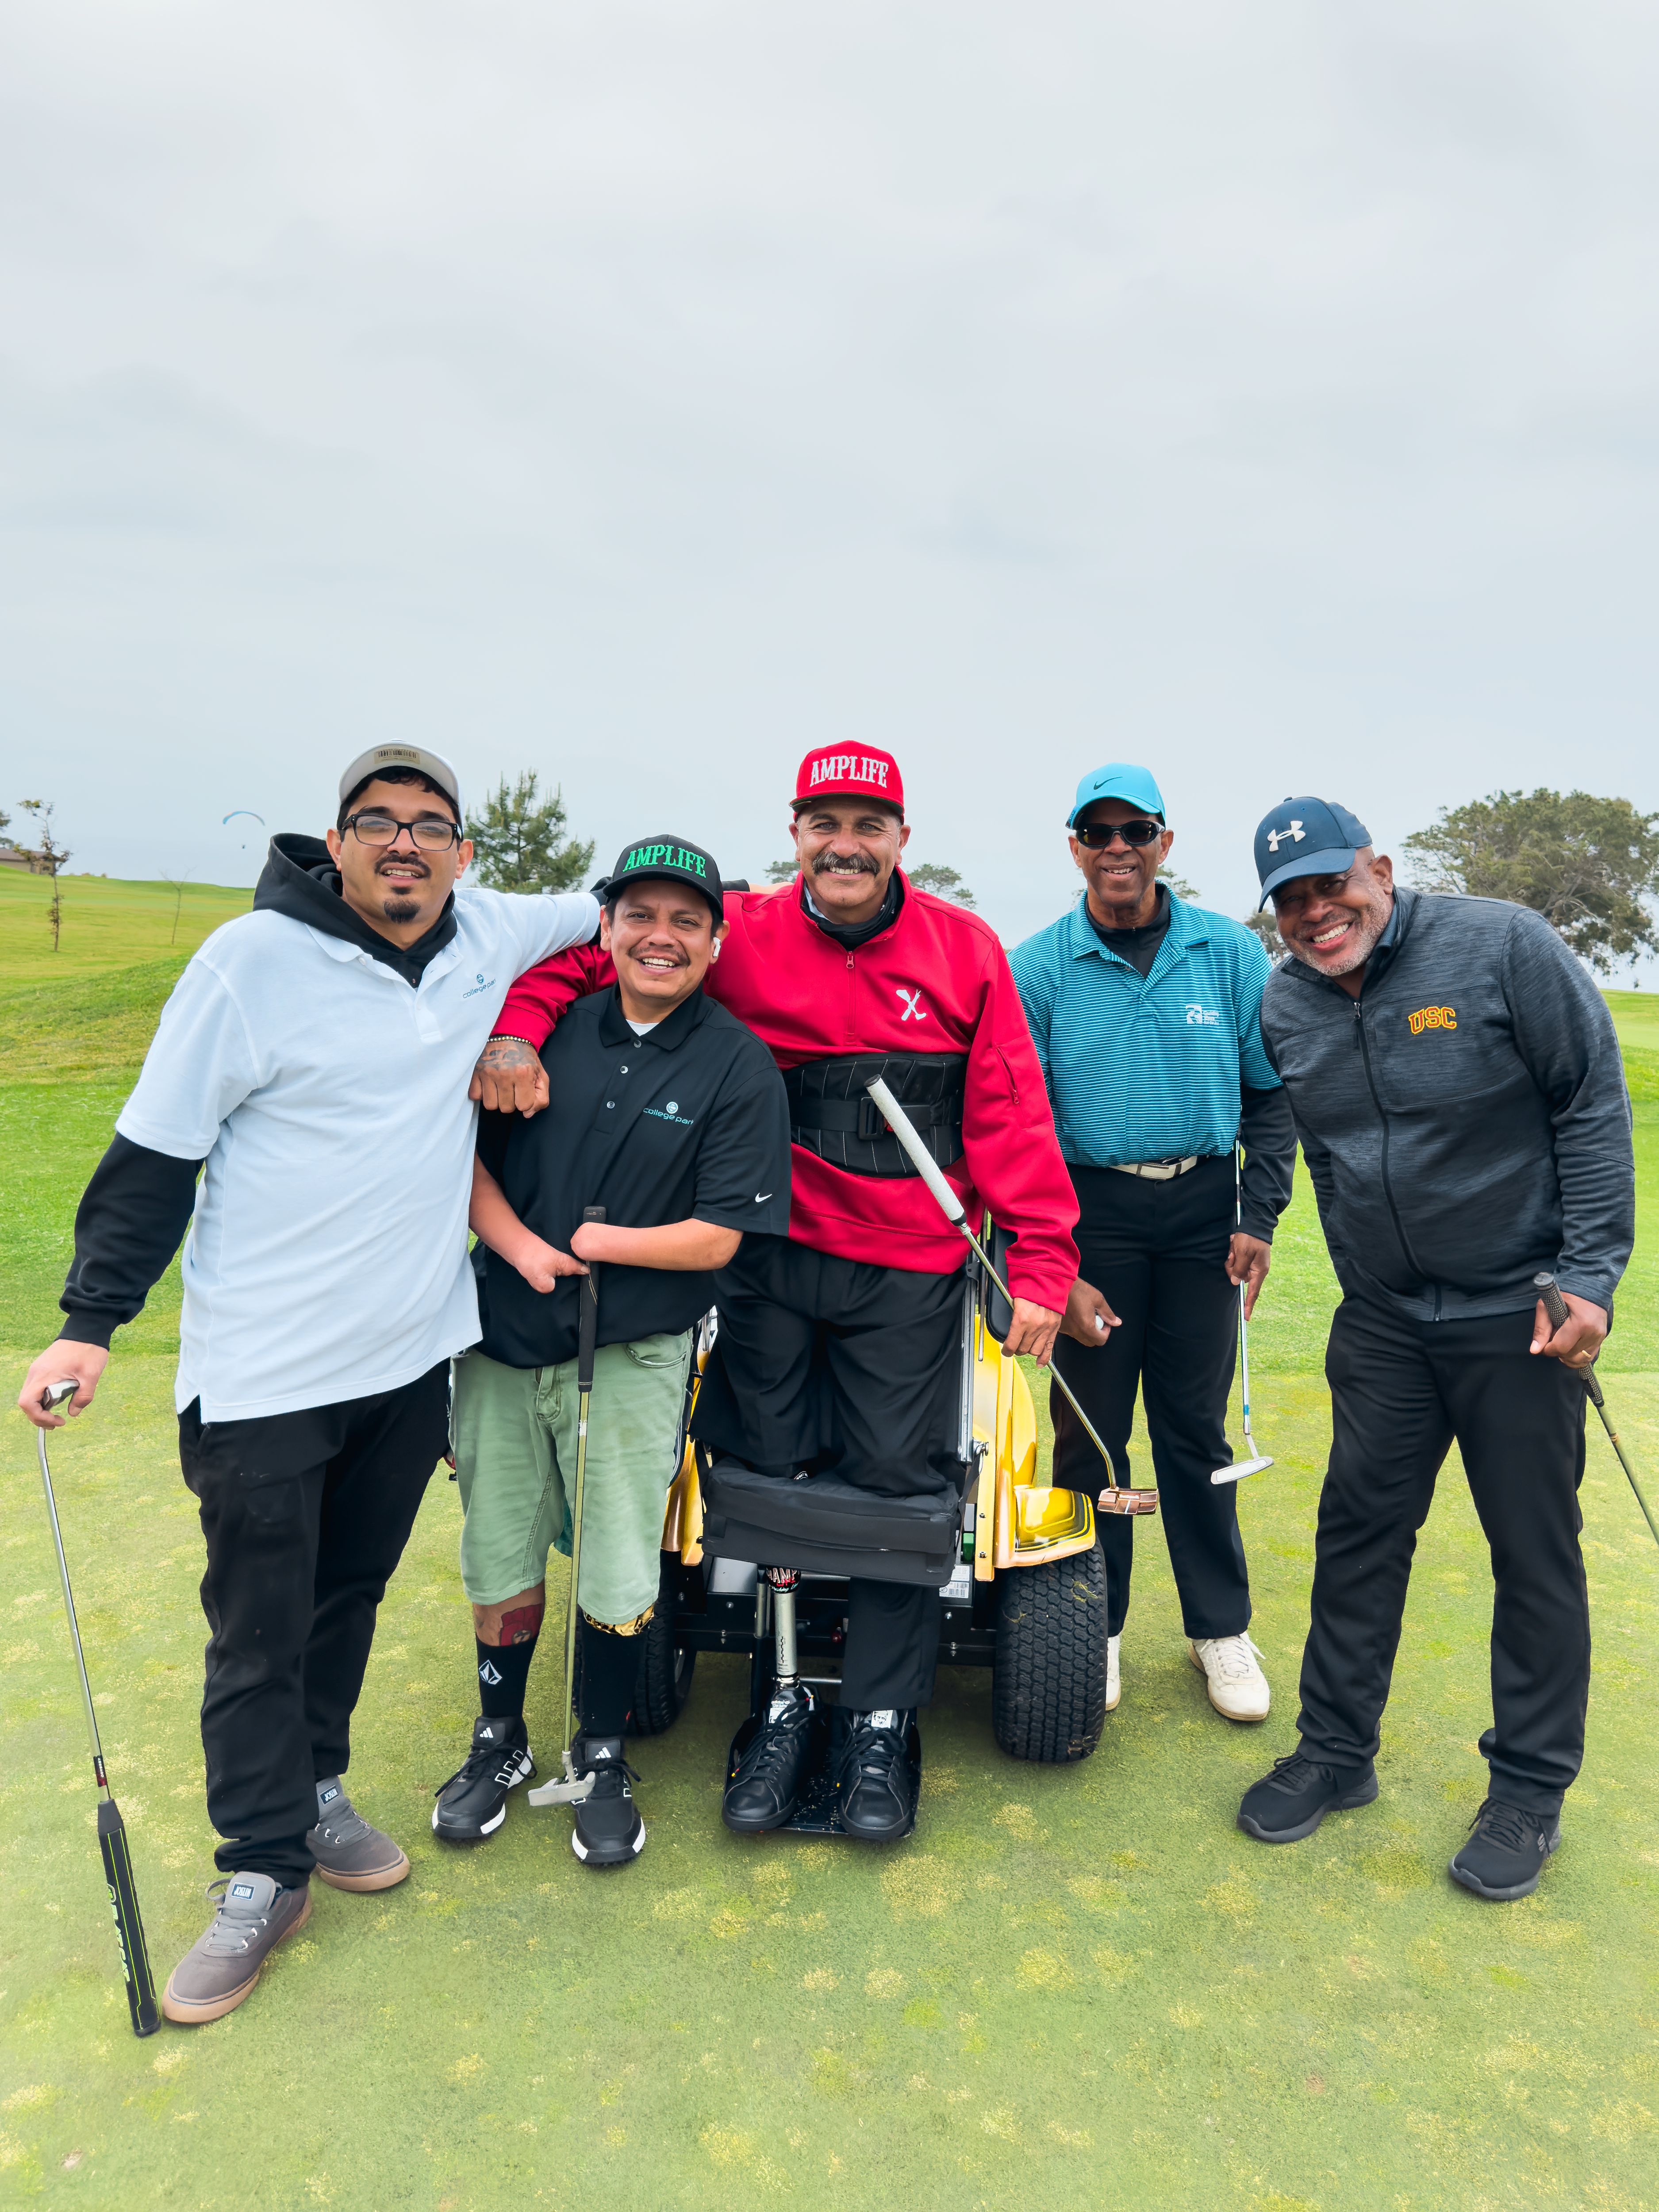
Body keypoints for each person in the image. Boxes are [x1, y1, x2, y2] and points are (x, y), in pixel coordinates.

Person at [16, 745, 598, 2021]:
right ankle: (260, 1871)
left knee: (347, 1597)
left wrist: (514, 1018)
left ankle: (317, 1789)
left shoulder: (488, 931)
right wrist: (88, 1324)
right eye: (376, 823)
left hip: (406, 1361)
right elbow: (156, 1155)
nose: (405, 844)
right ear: (332, 844)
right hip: (264, 1374)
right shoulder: (246, 964)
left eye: (430, 825)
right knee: (259, 1627)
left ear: (463, 851)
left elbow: (627, 910)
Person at [471, 747, 1082, 1841]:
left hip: (911, 1265)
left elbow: (1009, 1113)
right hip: (765, 1257)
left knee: (898, 1493)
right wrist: (518, 1023)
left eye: (869, 823)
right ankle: (785, 1699)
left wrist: (1040, 1261)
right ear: (794, 833)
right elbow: (591, 967)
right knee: (763, 1473)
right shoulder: (735, 928)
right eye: (823, 822)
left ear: (902, 838)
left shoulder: (964, 949)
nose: (844, 843)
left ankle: (883, 1721)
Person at [1235, 796, 1634, 1901]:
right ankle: (1336, 1750)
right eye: (1294, 900)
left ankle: (1529, 1789)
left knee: (1532, 1550)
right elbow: (1322, 1149)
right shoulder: (1287, 1001)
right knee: (1358, 1534)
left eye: (1333, 885)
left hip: (1522, 1312)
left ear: (1380, 868)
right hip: (1385, 1322)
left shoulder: (1503, 944)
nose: (1319, 913)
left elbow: (1591, 1105)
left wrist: (1591, 1276)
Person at [431, 833, 790, 1867]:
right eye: (641, 915)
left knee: (618, 1560)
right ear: (608, 928)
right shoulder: (538, 1034)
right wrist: (524, 1251)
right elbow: (459, 1163)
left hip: (634, 1351)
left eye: (685, 920)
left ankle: (598, 1751)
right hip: (502, 1335)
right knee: (498, 1552)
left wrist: (595, 1245)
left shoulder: (736, 1062)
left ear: (715, 942)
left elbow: (721, 1234)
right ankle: (499, 1740)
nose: (660, 936)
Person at [1010, 762, 1296, 1723]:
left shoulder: (1228, 950)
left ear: (1166, 843)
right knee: (1090, 1434)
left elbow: (1272, 1092)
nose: (1119, 849)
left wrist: (1258, 1214)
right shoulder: (1040, 963)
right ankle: (1094, 1623)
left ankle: (1219, 1628)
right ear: (1077, 849)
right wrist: (1060, 1261)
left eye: (1137, 831)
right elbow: (1022, 1125)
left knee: (1193, 1428)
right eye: (1100, 834)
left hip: (1205, 1210)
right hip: (1090, 1213)